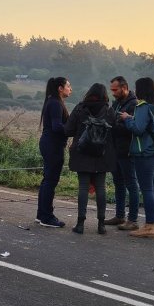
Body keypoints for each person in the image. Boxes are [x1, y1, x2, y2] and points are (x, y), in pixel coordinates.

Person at [65, 83, 116, 235]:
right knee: (101, 188)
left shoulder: (80, 108)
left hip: (82, 153)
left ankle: (80, 224)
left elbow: (68, 130)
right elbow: (115, 132)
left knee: (83, 188)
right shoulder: (109, 110)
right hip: (101, 155)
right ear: (105, 94)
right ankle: (101, 225)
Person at [119, 77, 154, 238]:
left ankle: (149, 227)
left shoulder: (143, 107)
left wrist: (126, 120)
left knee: (147, 190)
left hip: (144, 153)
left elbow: (138, 129)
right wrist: (133, 119)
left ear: (141, 90)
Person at [36, 77, 72, 228]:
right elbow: (57, 127)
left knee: (47, 180)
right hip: (53, 145)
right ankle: (47, 217)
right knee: (50, 181)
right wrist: (72, 130)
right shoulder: (56, 104)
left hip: (49, 143)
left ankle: (41, 214)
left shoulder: (52, 101)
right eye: (68, 86)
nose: (70, 88)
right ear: (60, 88)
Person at [105, 76, 140, 231]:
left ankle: (132, 219)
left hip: (127, 151)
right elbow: (112, 120)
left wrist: (113, 125)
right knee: (118, 183)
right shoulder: (116, 103)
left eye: (115, 89)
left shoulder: (134, 104)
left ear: (124, 87)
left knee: (131, 184)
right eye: (111, 90)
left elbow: (129, 128)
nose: (112, 93)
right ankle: (120, 215)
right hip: (115, 150)